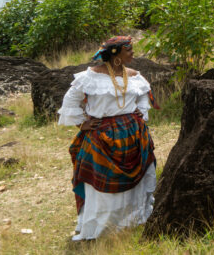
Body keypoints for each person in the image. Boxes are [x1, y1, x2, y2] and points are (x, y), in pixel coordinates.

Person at [58, 35, 157, 241]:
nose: (132, 53)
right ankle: (104, 226)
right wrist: (82, 123)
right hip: (102, 136)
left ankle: (133, 219)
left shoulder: (135, 76)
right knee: (102, 182)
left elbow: (142, 96)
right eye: (128, 50)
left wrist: (140, 112)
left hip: (133, 134)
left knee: (138, 178)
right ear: (116, 54)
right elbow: (71, 100)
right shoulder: (91, 77)